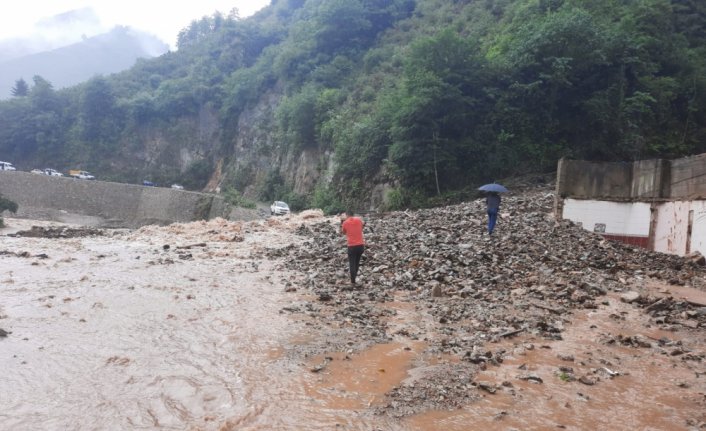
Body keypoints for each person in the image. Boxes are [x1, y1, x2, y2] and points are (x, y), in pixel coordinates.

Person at [340, 210, 365, 285]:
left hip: (352, 246)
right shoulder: (359, 220)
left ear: (347, 215)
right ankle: (354, 278)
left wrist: (342, 223)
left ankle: (352, 281)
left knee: (352, 264)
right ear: (353, 215)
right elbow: (362, 226)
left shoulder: (345, 222)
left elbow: (343, 232)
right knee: (357, 263)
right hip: (361, 245)